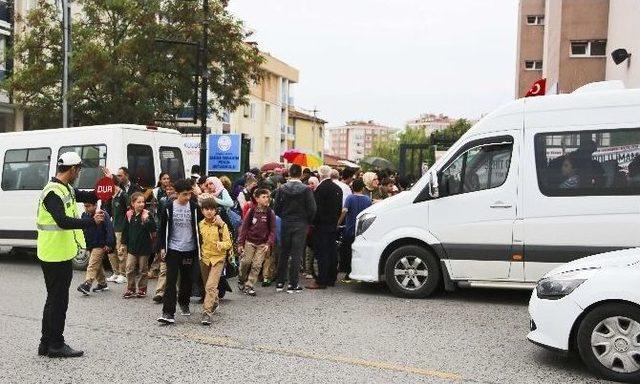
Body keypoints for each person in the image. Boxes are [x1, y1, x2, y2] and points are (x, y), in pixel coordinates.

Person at [36, 152, 106, 358]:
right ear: (73, 169)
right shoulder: (52, 192)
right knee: (58, 302)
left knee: (53, 300)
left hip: (59, 253)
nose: (79, 173)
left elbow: (92, 196)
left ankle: (45, 344)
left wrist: (108, 183)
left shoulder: (65, 188)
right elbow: (62, 221)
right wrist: (91, 221)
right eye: (79, 169)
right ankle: (56, 345)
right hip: (53, 255)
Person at [157, 179, 203, 324]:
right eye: (184, 194)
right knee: (170, 280)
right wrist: (162, 247)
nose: (187, 197)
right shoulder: (168, 207)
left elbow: (202, 226)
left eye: (190, 194)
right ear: (176, 194)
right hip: (173, 249)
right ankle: (168, 312)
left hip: (190, 250)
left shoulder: (195, 208)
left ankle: (184, 302)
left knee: (187, 279)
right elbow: (162, 228)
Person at [274, 164, 317, 293]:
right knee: (297, 254)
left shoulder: (282, 189)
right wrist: (307, 221)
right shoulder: (306, 190)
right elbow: (312, 209)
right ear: (301, 174)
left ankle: (280, 282)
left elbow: (276, 208)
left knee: (284, 253)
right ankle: (293, 283)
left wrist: (284, 216)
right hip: (301, 223)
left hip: (286, 222)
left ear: (289, 174)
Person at [307, 166, 342, 289]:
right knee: (332, 252)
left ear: (320, 175)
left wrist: (313, 222)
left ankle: (321, 280)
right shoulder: (338, 188)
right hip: (332, 225)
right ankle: (331, 278)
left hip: (321, 226)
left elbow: (317, 210)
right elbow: (339, 209)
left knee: (322, 253)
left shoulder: (320, 189)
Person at [198, 198, 232, 326]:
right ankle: (215, 301)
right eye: (206, 209)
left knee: (210, 286)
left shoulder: (222, 225)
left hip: (218, 258)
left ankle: (207, 313)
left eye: (212, 209)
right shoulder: (200, 224)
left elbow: (228, 243)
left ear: (216, 210)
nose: (209, 212)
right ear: (202, 211)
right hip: (205, 258)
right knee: (207, 284)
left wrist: (220, 245)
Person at [237, 188, 276, 296]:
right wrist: (240, 243)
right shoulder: (252, 211)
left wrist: (269, 243)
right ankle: (242, 279)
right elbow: (244, 228)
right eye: (263, 197)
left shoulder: (270, 213)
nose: (266, 199)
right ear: (257, 199)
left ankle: (249, 286)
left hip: (262, 244)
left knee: (257, 265)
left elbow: (273, 230)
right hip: (250, 242)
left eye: (267, 197)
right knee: (246, 262)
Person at [120, 192, 157, 299]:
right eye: (138, 202)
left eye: (143, 202)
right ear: (132, 203)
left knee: (143, 269)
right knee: (129, 268)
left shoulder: (147, 214)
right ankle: (130, 288)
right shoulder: (129, 215)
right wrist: (123, 244)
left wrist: (146, 220)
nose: (141, 204)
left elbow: (153, 228)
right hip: (132, 247)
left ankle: (142, 289)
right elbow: (125, 230)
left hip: (144, 247)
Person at [77, 202, 116, 295]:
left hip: (100, 244)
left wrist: (109, 244)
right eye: (85, 206)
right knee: (97, 265)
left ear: (95, 205)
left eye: (88, 206)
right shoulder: (84, 215)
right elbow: (84, 229)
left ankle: (87, 284)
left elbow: (109, 229)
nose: (86, 208)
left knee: (92, 264)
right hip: (90, 244)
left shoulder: (102, 214)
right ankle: (102, 284)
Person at [338, 178, 372, 281]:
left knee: (349, 253)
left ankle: (349, 274)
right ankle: (361, 275)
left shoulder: (349, 198)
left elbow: (344, 211)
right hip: (362, 231)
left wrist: (338, 223)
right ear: (362, 188)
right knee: (361, 252)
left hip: (350, 230)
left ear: (352, 187)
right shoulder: (367, 199)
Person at [106, 184, 128, 284]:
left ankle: (123, 274)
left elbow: (128, 210)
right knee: (111, 251)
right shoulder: (110, 196)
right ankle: (115, 272)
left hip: (120, 228)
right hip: (112, 227)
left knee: (121, 251)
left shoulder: (123, 195)